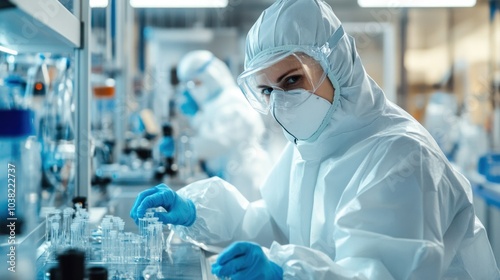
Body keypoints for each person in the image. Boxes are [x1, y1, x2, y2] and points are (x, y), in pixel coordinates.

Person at [130, 0, 500, 279]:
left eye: (292, 80)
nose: (281, 102)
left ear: (338, 64)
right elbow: (270, 225)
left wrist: (286, 272)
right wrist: (198, 211)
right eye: (266, 91)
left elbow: (378, 273)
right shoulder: (312, 146)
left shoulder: (402, 156)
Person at [175, 50, 272, 201]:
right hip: (232, 176)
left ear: (212, 76)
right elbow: (211, 128)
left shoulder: (232, 101)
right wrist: (195, 116)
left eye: (196, 83)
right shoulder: (217, 102)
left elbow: (216, 142)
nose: (193, 90)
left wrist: (180, 148)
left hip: (245, 180)